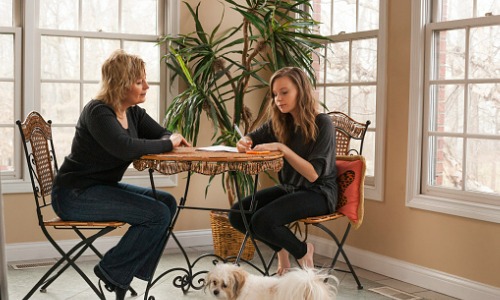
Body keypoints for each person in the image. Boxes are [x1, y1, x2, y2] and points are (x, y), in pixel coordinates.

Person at [51, 49, 191, 299]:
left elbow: (162, 133)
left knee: (167, 203)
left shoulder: (132, 112)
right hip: (74, 195)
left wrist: (169, 139)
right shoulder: (98, 112)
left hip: (101, 188)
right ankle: (112, 271)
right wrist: (169, 143)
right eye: (139, 82)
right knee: (158, 214)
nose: (146, 86)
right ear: (121, 84)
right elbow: (125, 147)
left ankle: (124, 275)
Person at [228, 67, 337, 276]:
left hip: (319, 193)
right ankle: (283, 250)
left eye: (284, 92)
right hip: (290, 189)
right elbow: (251, 137)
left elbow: (313, 174)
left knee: (262, 220)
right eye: (275, 94)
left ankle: (303, 251)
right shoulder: (280, 122)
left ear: (301, 91)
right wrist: (244, 141)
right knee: (237, 214)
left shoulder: (322, 123)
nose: (278, 99)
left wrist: (282, 148)